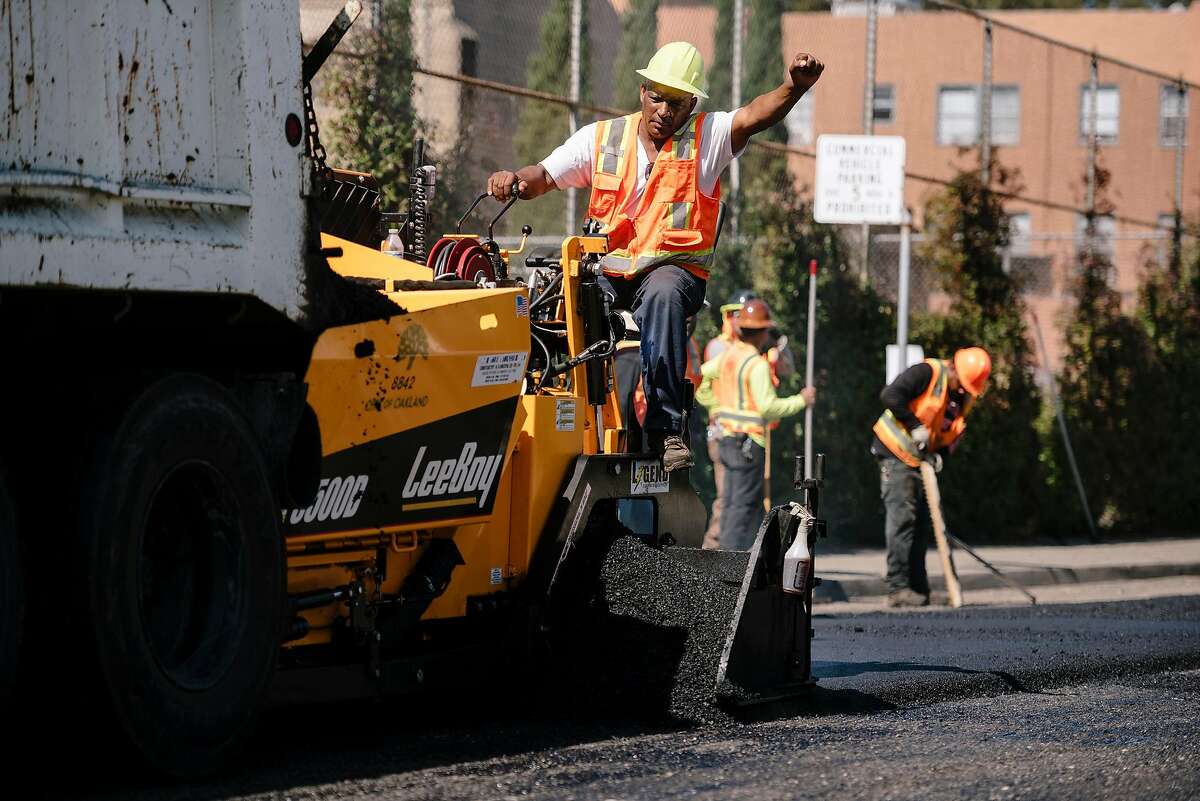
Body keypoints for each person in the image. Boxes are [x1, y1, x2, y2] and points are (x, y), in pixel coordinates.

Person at [487, 41, 824, 472]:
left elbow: (756, 114)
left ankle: (667, 428)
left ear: (692, 105)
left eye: (678, 102)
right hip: (609, 268)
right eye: (657, 96)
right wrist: (514, 180)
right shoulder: (603, 138)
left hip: (672, 269)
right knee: (562, 297)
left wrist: (792, 88)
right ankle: (558, 412)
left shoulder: (708, 138)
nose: (664, 109)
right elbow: (545, 175)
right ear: (642, 91)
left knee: (663, 296)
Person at [871, 347, 992, 607]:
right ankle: (897, 588)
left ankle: (919, 588)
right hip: (894, 453)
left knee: (923, 524)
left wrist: (941, 456)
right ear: (954, 369)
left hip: (921, 462)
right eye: (963, 383)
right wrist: (915, 426)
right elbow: (890, 395)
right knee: (903, 519)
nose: (963, 390)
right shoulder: (928, 372)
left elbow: (950, 433)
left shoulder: (960, 397)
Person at [696, 299, 815, 550]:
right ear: (762, 333)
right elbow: (768, 407)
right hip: (748, 445)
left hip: (727, 439)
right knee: (743, 507)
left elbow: (701, 377)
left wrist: (715, 407)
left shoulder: (729, 356)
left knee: (729, 503)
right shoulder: (757, 365)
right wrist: (800, 400)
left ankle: (726, 561)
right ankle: (734, 565)